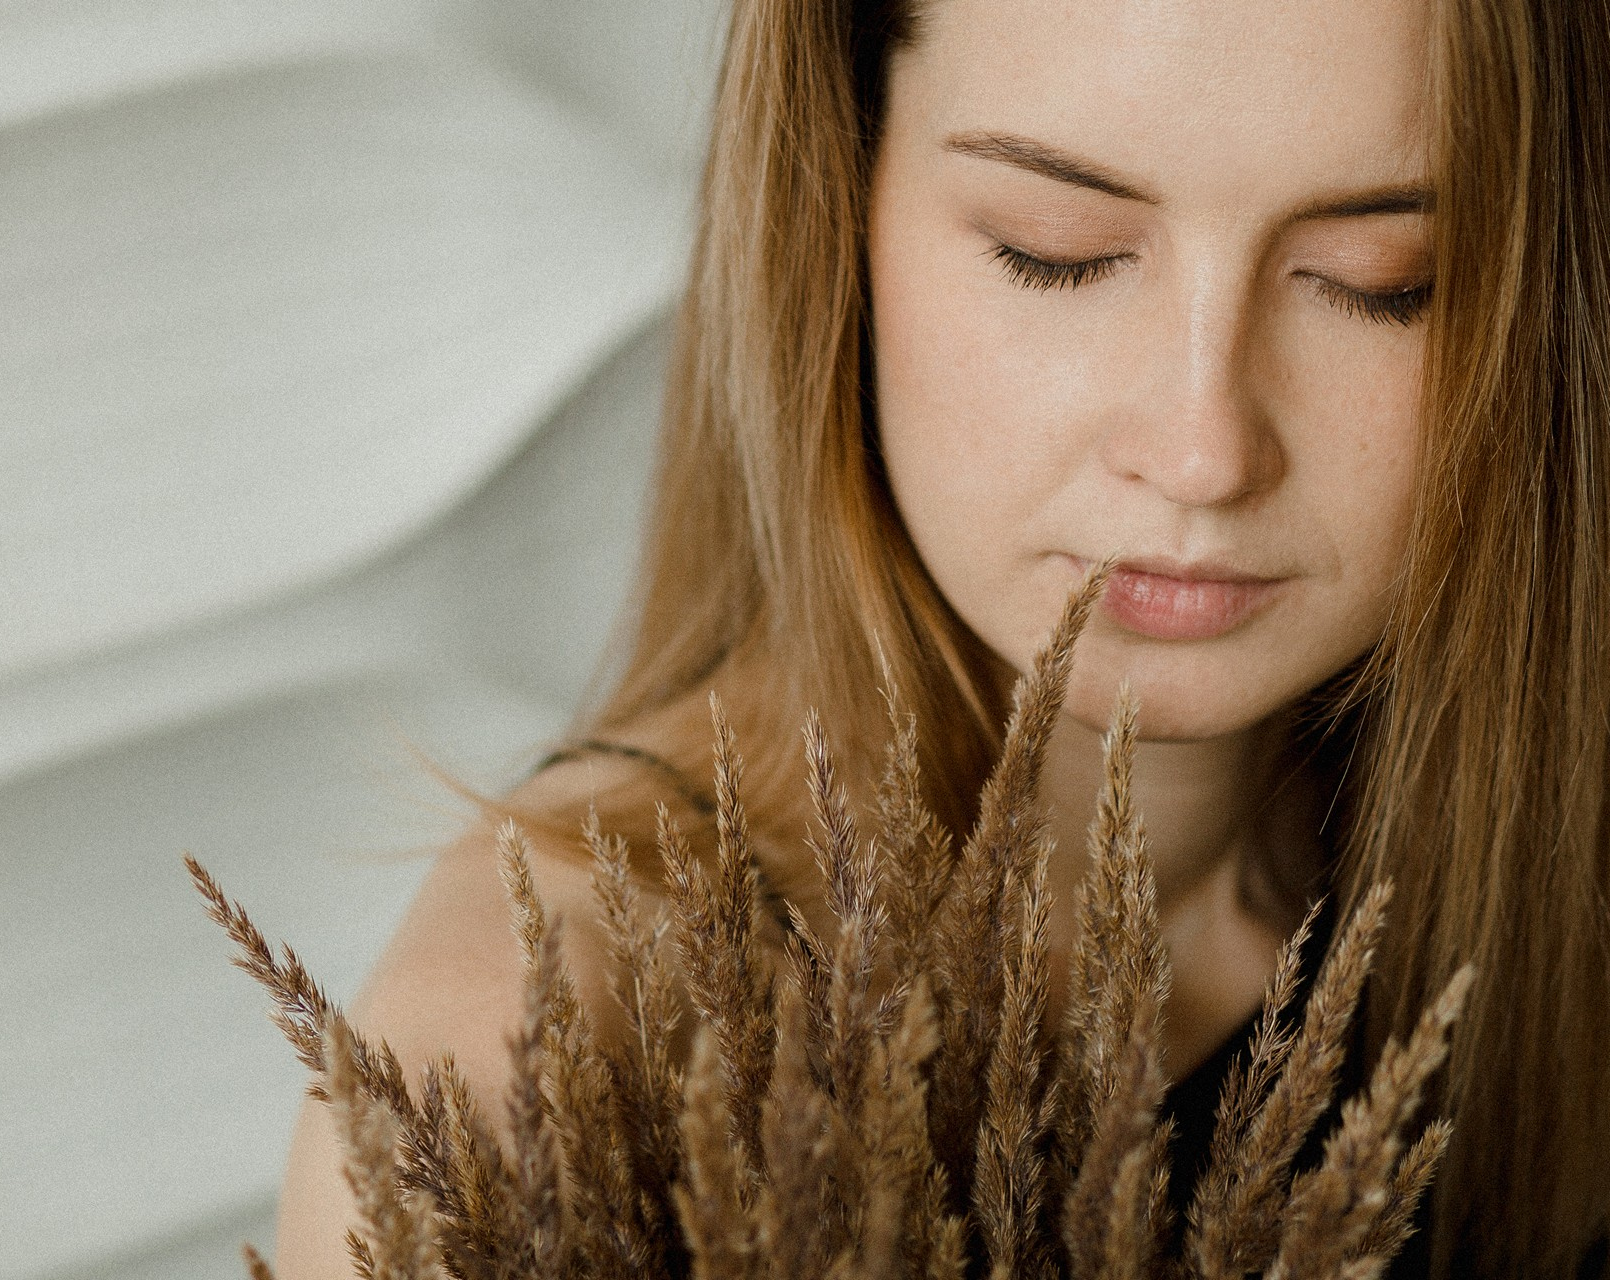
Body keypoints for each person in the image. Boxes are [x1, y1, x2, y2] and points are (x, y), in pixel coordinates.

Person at [276, 0, 1610, 1276]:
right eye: (1058, 247)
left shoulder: (1539, 874)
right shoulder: (537, 1076)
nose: (1205, 452)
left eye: (1385, 281)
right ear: (838, 201)